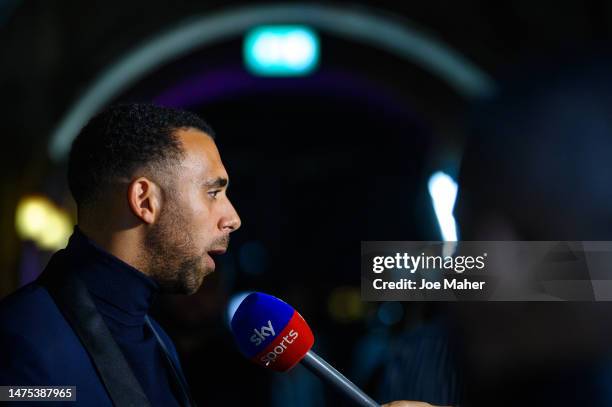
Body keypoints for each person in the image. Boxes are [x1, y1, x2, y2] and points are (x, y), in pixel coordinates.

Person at [0, 103, 436, 407]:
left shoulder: (151, 333)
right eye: (213, 193)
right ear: (144, 201)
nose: (233, 218)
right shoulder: (20, 345)